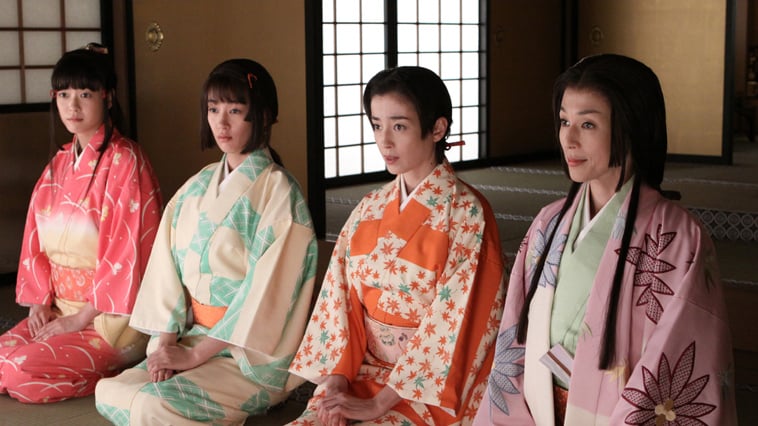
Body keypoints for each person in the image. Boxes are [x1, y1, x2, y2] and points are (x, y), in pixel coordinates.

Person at [473, 53, 738, 425]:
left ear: (631, 128)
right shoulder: (549, 221)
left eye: (588, 124)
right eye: (564, 121)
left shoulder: (677, 236)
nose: (568, 138)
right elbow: (515, 332)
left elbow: (681, 353)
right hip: (536, 410)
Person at [94, 58, 317, 424]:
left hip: (248, 354)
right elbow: (165, 270)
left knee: (150, 404)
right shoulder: (196, 186)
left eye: (235, 110)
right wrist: (166, 344)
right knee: (112, 391)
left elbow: (266, 297)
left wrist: (195, 357)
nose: (221, 123)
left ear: (263, 115)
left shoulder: (280, 194)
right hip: (195, 336)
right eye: (213, 109)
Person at [288, 66, 506, 426]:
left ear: (437, 129)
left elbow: (457, 321)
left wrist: (378, 405)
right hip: (361, 373)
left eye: (399, 126)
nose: (384, 141)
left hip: (430, 389)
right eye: (377, 125)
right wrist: (336, 383)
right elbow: (339, 301)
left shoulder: (468, 214)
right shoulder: (369, 207)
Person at [0, 43, 162, 403]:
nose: (72, 106)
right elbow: (35, 242)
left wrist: (80, 318)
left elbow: (127, 257)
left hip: (110, 319)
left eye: (85, 94)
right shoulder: (58, 164)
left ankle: (113, 373)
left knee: (18, 370)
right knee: (2, 362)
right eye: (64, 94)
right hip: (60, 309)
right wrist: (39, 304)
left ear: (108, 97)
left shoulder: (127, 162)